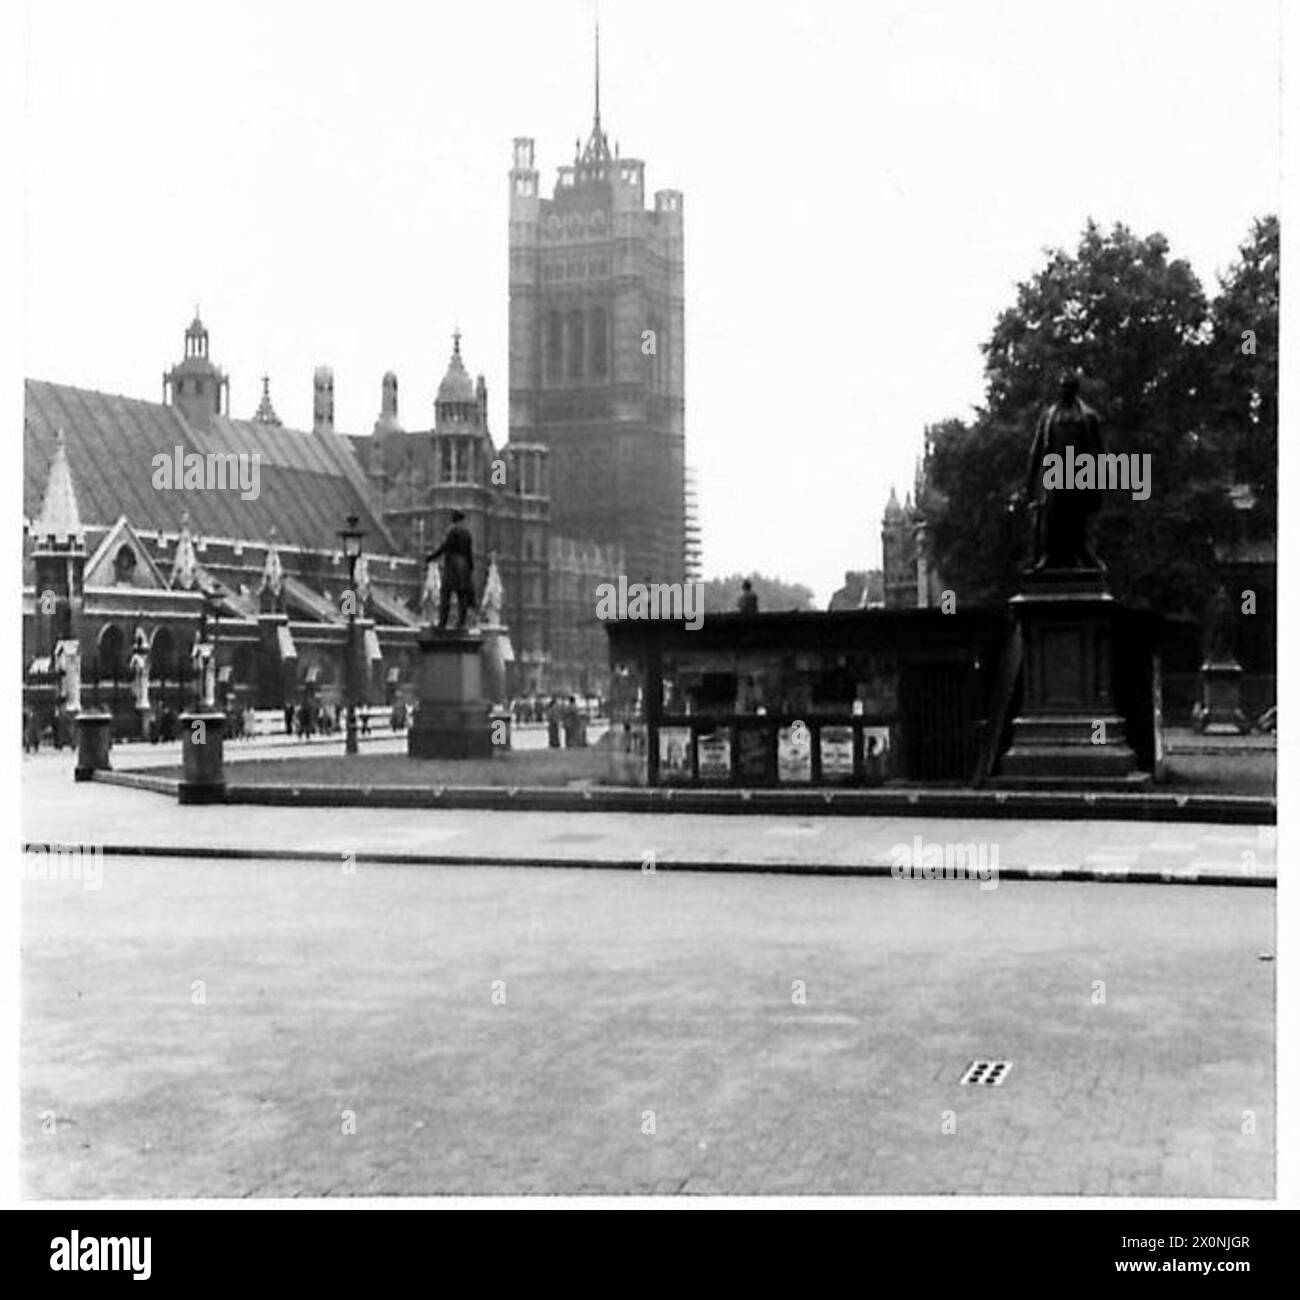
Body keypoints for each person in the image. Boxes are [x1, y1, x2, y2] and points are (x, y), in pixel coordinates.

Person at [425, 510, 476, 630]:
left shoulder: (452, 531)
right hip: (464, 567)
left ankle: (443, 622)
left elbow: (444, 547)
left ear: (453, 520)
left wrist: (431, 557)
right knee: (462, 595)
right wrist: (470, 568)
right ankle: (461, 622)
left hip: (453, 566)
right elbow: (469, 553)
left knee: (445, 593)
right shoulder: (467, 533)